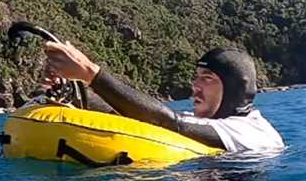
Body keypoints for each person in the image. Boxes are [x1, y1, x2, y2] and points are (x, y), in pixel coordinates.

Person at [43, 42, 284, 152]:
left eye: (207, 77)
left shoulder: (253, 133)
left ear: (234, 88)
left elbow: (167, 121)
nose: (195, 86)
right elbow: (127, 116)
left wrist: (90, 72)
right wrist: (76, 92)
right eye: (196, 76)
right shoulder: (208, 122)